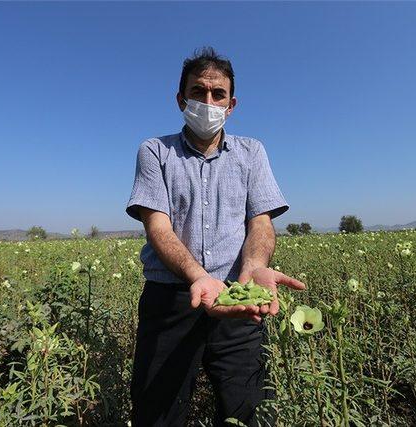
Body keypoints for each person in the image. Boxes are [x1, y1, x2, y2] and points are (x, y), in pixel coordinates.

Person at [125, 47, 305, 427]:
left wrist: (254, 267)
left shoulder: (251, 153)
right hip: (171, 302)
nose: (207, 101)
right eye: (197, 91)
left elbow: (261, 222)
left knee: (249, 412)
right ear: (180, 100)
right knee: (156, 414)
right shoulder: (155, 152)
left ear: (231, 104)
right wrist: (197, 277)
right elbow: (157, 225)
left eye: (217, 94)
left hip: (238, 300)